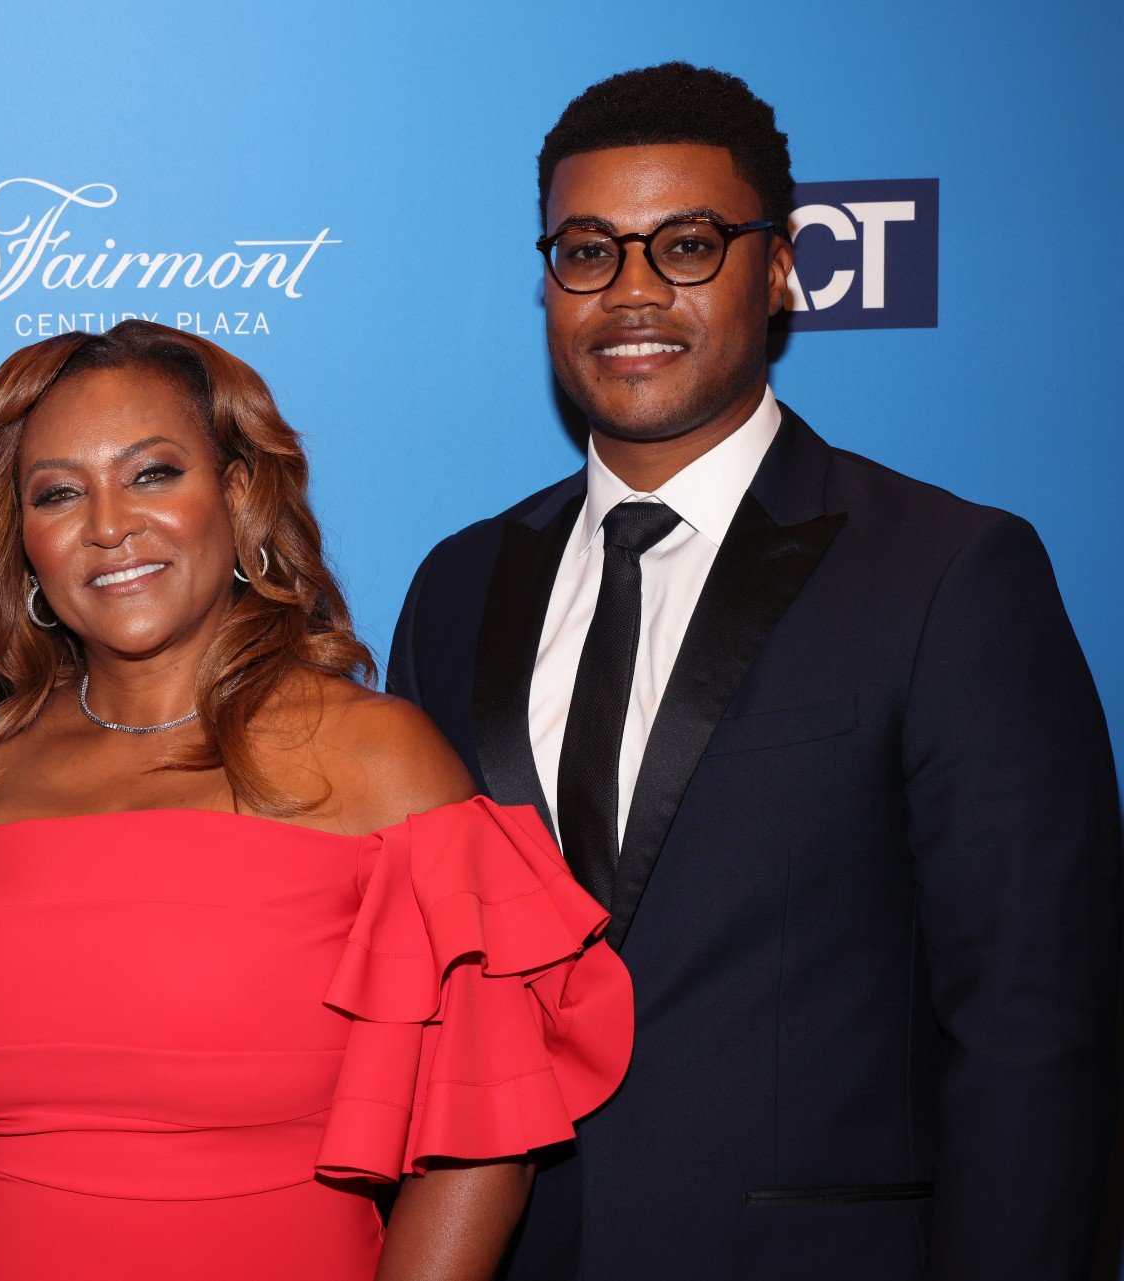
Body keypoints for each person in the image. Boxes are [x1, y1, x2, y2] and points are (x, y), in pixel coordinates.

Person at [389, 62, 1122, 1280]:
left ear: (779, 269)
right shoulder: (459, 583)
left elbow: (1033, 1023)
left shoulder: (947, 572)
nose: (630, 292)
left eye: (685, 245)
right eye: (587, 250)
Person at [0, 319, 633, 1281]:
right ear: (24, 541)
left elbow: (485, 1133)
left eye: (153, 473)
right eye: (58, 492)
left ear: (238, 493)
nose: (109, 523)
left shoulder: (380, 762)